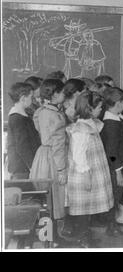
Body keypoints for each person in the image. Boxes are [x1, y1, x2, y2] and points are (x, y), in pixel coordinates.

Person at [66, 91, 114, 248]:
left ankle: (86, 237)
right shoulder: (80, 129)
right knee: (82, 209)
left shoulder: (90, 123)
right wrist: (86, 176)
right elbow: (79, 156)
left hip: (92, 171)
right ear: (89, 108)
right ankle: (82, 240)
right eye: (99, 107)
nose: (101, 110)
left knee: (88, 207)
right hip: (84, 174)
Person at [29, 79, 68, 244]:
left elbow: (39, 129)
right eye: (62, 92)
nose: (65, 95)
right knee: (55, 197)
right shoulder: (56, 116)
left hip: (42, 155)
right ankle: (55, 239)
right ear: (55, 94)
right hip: (54, 158)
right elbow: (58, 145)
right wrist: (61, 170)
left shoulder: (41, 111)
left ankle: (49, 238)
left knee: (46, 199)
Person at [100, 87, 123, 236]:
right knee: (115, 197)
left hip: (119, 166)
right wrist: (118, 172)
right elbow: (111, 153)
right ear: (118, 104)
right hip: (116, 168)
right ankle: (111, 226)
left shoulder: (116, 118)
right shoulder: (110, 124)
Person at [7, 82, 41, 179]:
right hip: (22, 168)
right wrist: (32, 166)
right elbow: (22, 146)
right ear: (23, 98)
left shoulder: (22, 115)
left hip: (25, 166)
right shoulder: (17, 118)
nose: (32, 99)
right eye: (31, 96)